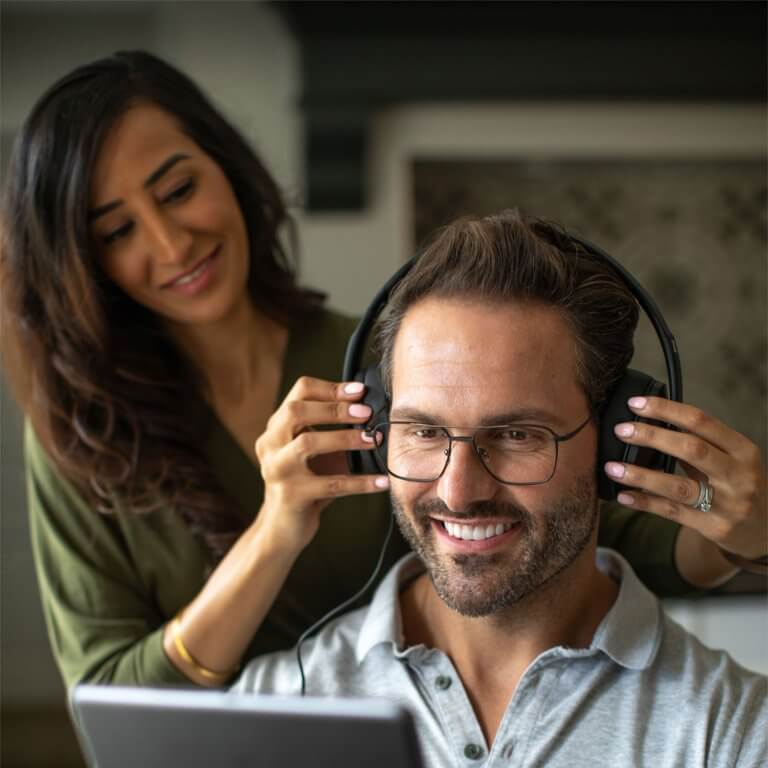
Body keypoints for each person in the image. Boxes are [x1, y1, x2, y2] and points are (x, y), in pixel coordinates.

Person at [1, 51, 764, 692]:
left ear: (226, 169)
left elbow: (608, 539)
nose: (170, 244)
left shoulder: (387, 367)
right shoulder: (81, 437)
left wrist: (745, 530)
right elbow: (110, 703)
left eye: (178, 190)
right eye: (119, 230)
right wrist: (276, 532)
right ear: (81, 263)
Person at [233, 211, 767, 767]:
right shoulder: (274, 710)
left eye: (517, 435)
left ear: (615, 448)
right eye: (424, 430)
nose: (459, 491)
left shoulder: (733, 733)